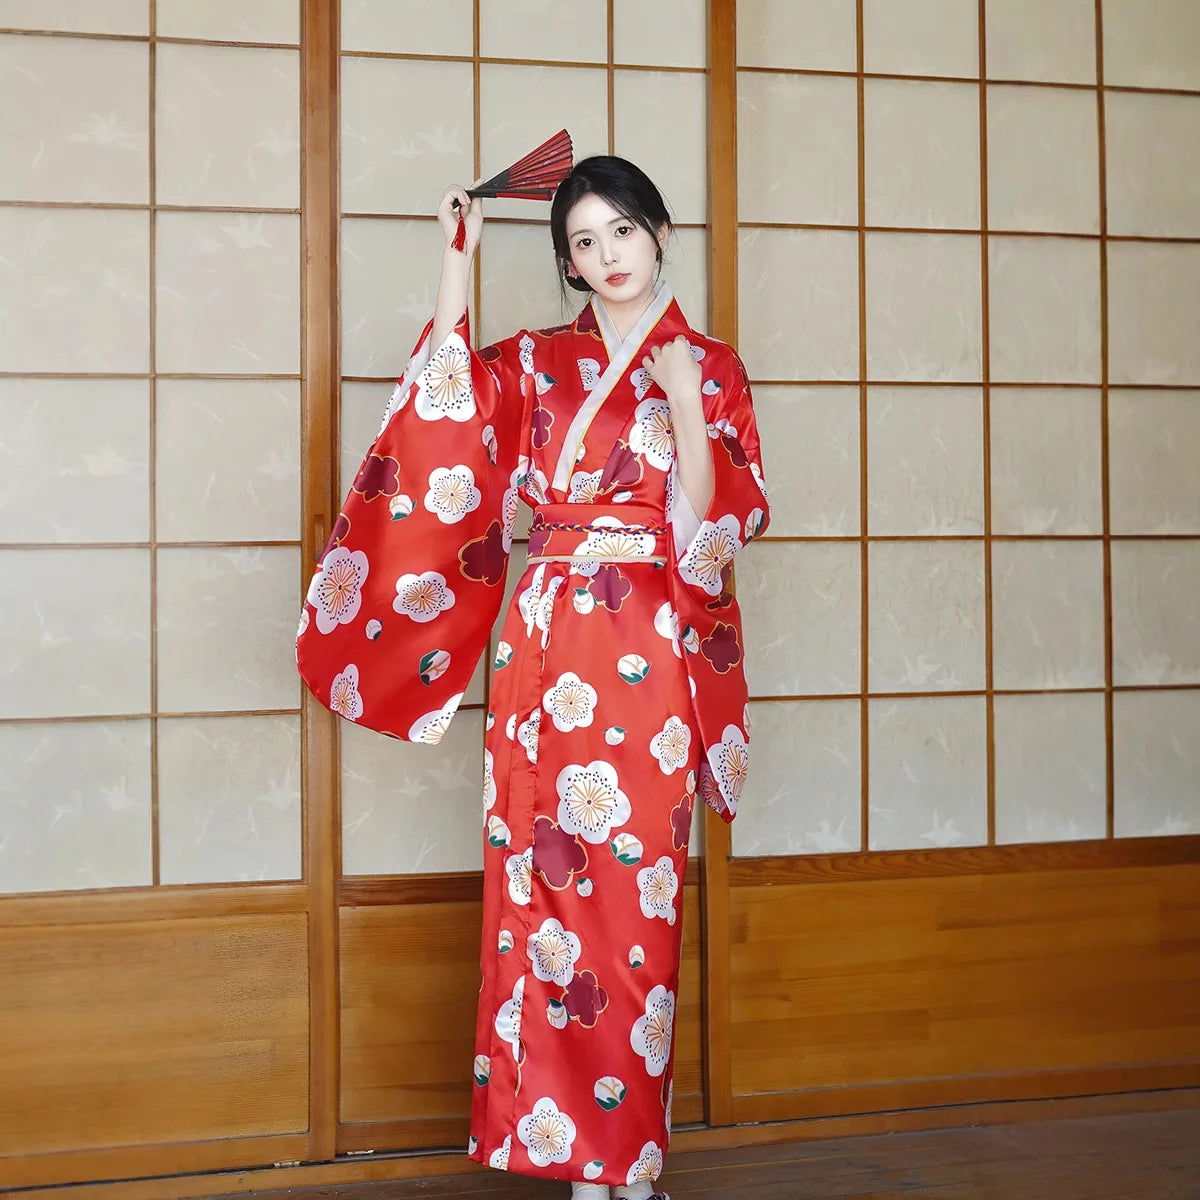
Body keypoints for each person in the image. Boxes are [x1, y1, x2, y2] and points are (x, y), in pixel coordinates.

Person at [296, 156, 770, 1200]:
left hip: (647, 647)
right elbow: (450, 419)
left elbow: (714, 530)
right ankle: (564, 1149)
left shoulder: (713, 365)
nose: (608, 257)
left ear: (658, 231)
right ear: (566, 260)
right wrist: (456, 269)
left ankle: (625, 1154)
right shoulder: (541, 362)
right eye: (585, 243)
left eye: (623, 232)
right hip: (546, 643)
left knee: (635, 894)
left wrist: (687, 402)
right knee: (542, 882)